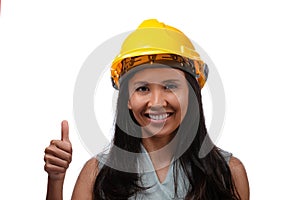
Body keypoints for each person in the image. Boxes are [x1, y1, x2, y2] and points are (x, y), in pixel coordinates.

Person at [44, 19, 250, 200]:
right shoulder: (97, 174)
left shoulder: (228, 173)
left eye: (170, 86)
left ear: (192, 95)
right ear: (128, 99)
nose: (157, 102)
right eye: (143, 88)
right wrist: (56, 180)